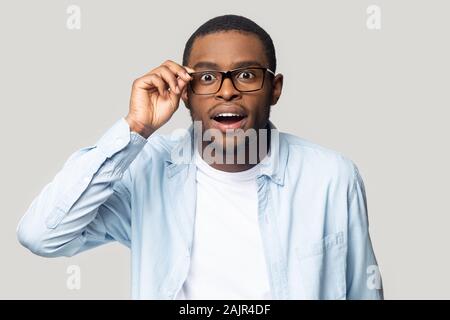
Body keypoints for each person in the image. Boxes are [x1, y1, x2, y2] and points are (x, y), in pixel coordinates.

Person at [17, 14, 383, 300]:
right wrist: (135, 129)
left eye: (245, 74)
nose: (227, 91)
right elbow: (42, 235)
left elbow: (364, 291)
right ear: (186, 93)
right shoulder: (147, 170)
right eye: (207, 77)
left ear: (275, 89)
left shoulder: (331, 176)